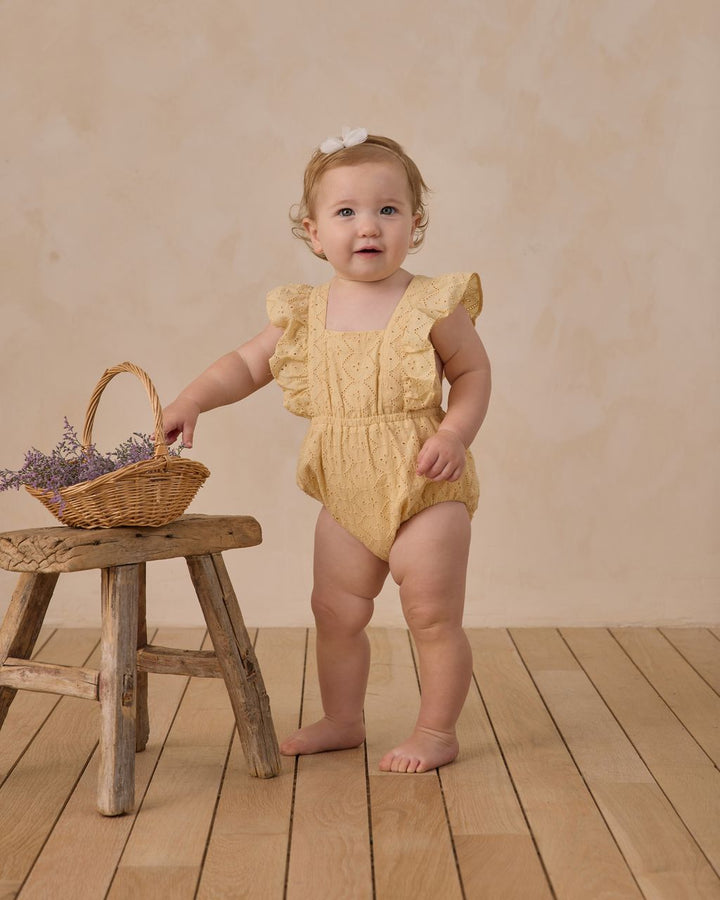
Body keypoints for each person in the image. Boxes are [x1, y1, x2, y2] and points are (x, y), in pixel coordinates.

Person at [163, 128, 491, 773]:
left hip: (425, 483)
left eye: (387, 210)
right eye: (346, 212)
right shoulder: (304, 312)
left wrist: (453, 434)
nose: (367, 226)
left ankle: (436, 731)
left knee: (430, 614)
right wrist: (193, 399)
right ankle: (344, 718)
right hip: (343, 487)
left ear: (415, 224)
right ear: (314, 232)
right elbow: (245, 364)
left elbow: (474, 377)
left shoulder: (432, 304)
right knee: (335, 610)